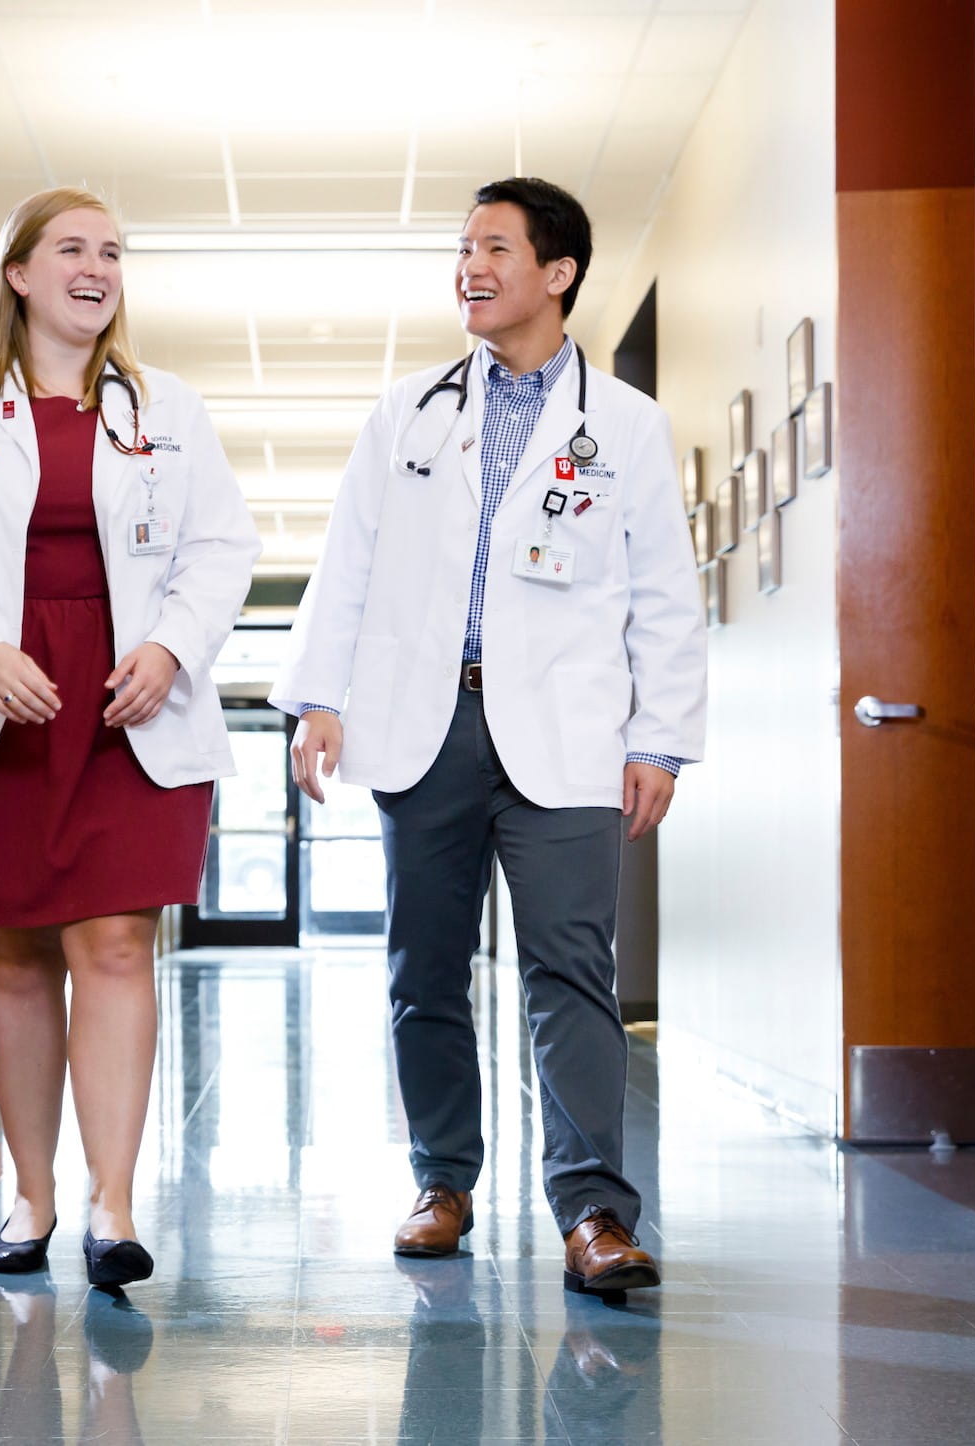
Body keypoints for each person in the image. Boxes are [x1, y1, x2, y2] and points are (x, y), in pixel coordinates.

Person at [270, 177, 707, 1295]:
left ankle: (595, 1210)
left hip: (564, 734)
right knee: (425, 968)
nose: (469, 267)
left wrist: (659, 739)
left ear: (556, 273)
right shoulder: (407, 414)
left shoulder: (627, 427)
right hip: (427, 729)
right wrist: (319, 696)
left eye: (494, 249)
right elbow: (349, 563)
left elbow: (664, 588)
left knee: (573, 970)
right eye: (462, 250)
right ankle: (442, 1183)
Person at [0, 186, 260, 1289]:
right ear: (21, 274)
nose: (98, 267)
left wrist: (173, 650)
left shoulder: (165, 407)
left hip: (126, 700)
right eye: (74, 249)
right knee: (17, 955)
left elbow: (222, 546)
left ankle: (113, 1203)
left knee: (118, 945)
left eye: (114, 252)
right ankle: (30, 1195)